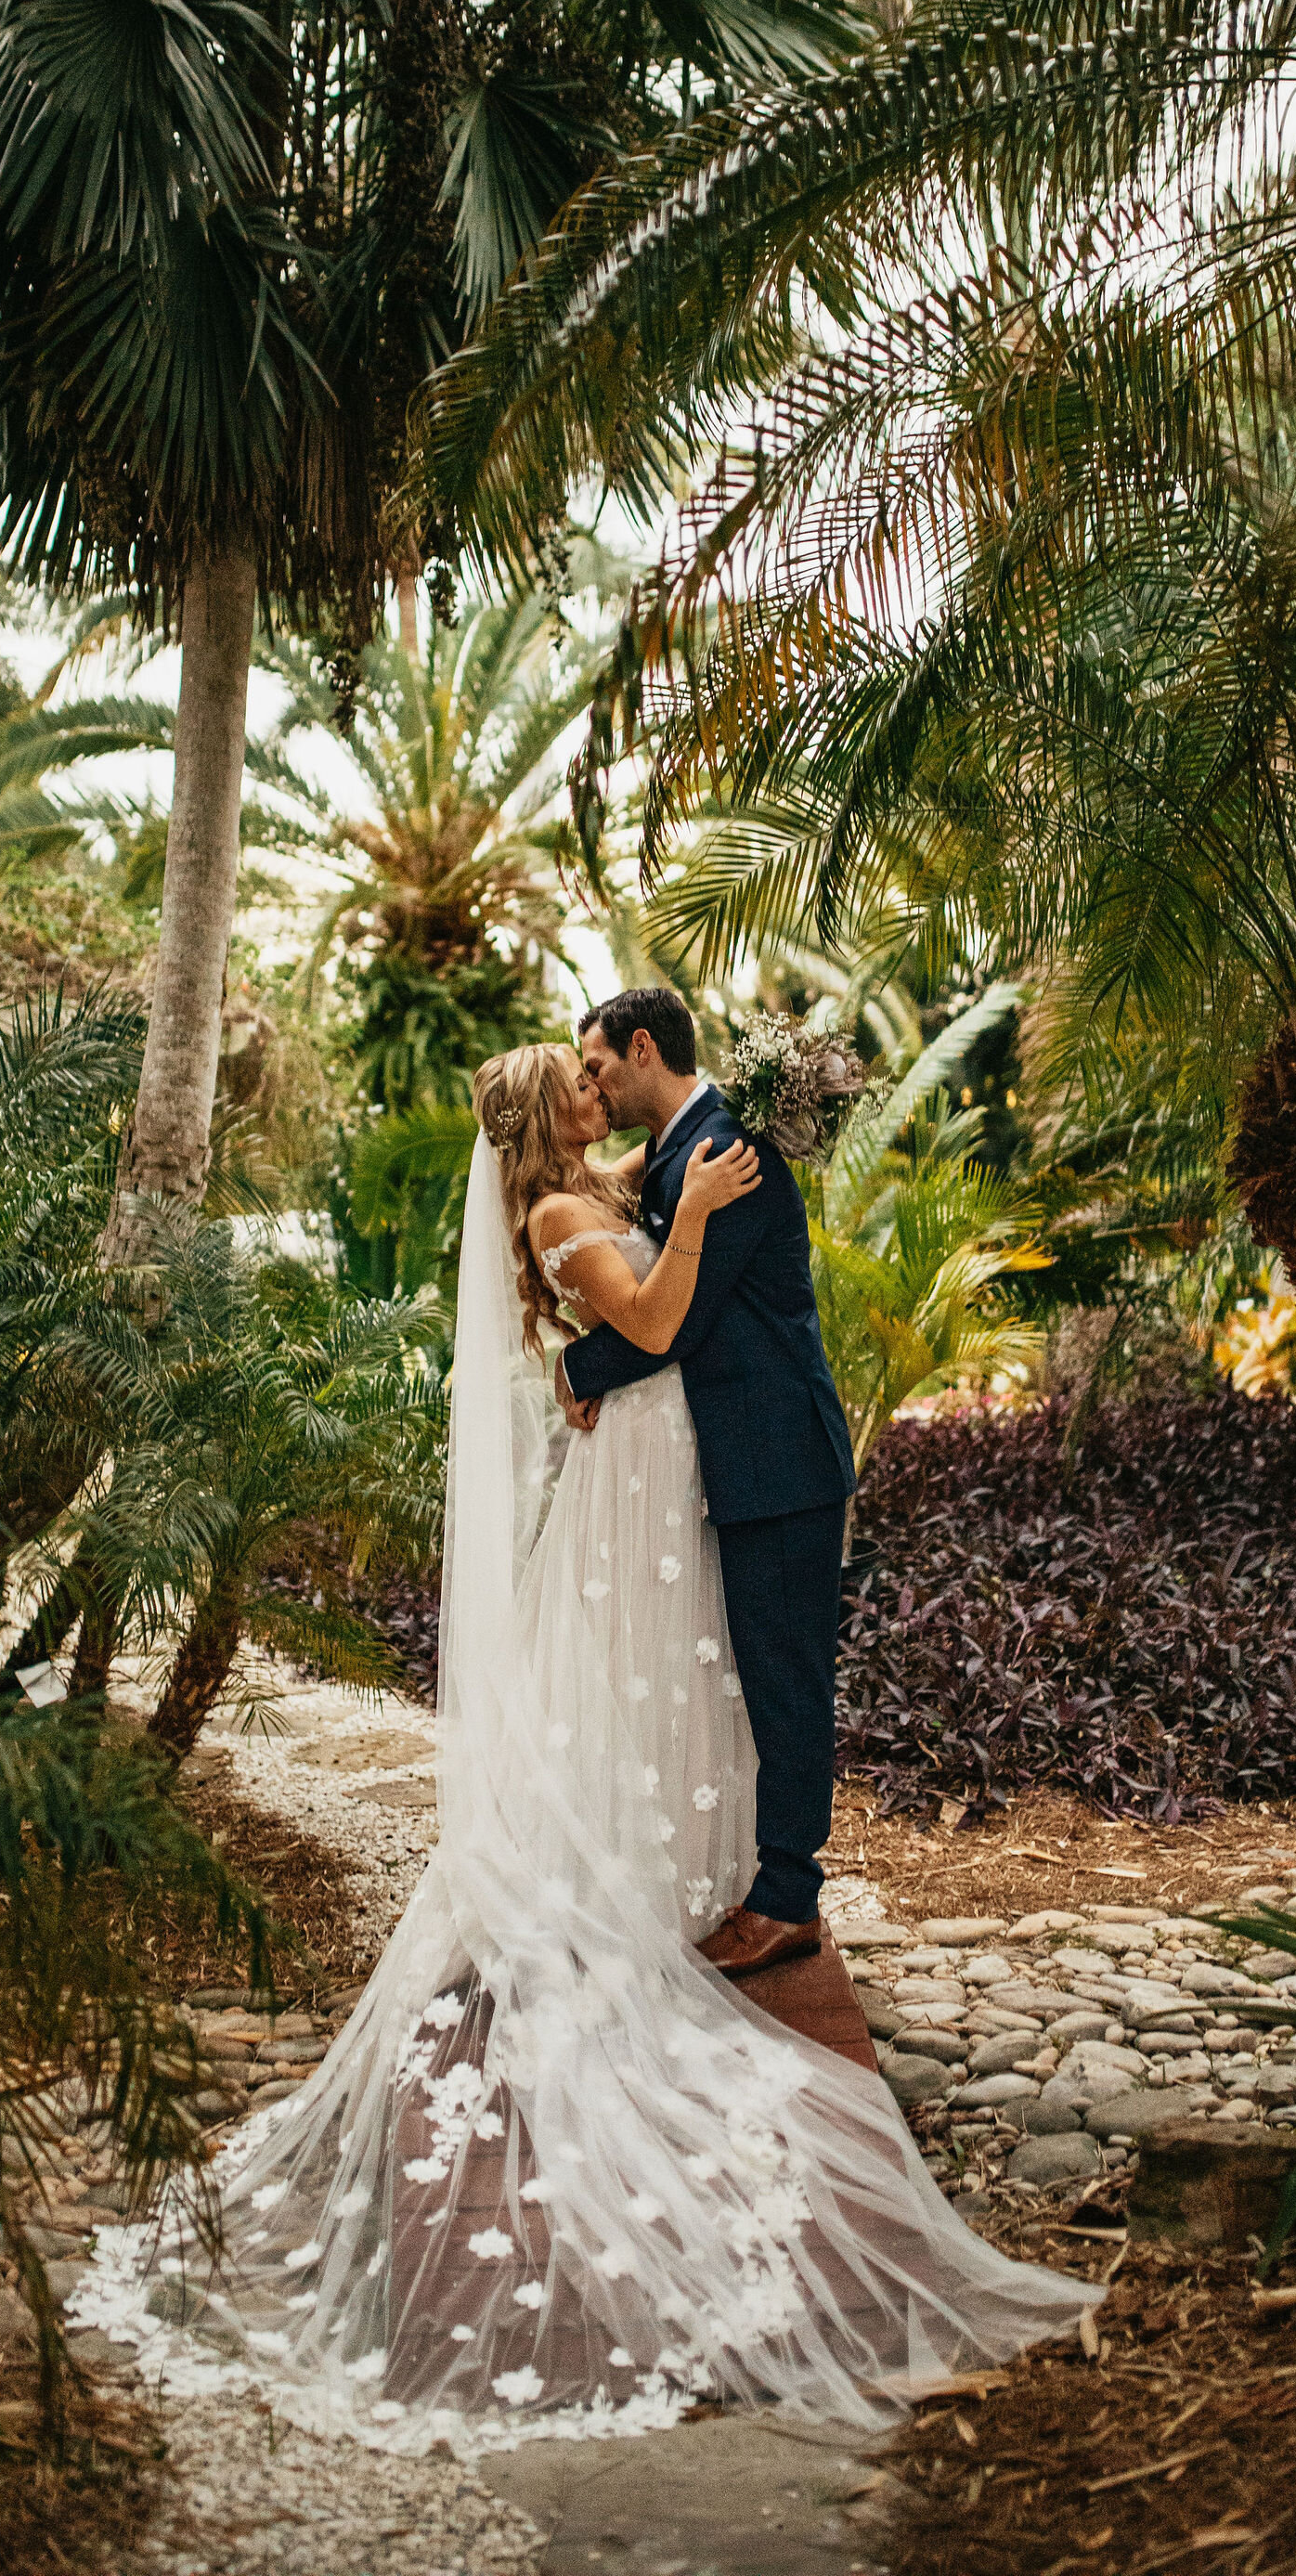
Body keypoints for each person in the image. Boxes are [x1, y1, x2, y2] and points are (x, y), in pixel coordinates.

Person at [72, 1035, 1081, 2450]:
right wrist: (681, 1253)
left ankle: (702, 1857)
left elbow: (637, 1267)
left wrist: (634, 1288)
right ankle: (643, 1876)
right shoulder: (559, 1211)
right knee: (639, 1670)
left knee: (679, 1675)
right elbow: (661, 1321)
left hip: (669, 1465)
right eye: (580, 1083)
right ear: (553, 1114)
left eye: (605, 1070)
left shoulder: (603, 1178)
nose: (598, 1092)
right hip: (644, 1472)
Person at [554, 987, 854, 1979]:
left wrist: (574, 1371)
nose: (591, 1083)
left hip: (779, 1462)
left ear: (643, 1048)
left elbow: (669, 1325)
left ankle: (785, 1900)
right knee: (760, 1677)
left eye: (597, 1066)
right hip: (746, 1460)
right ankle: (766, 1879)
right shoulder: (686, 1148)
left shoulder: (727, 1156)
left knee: (785, 1682)